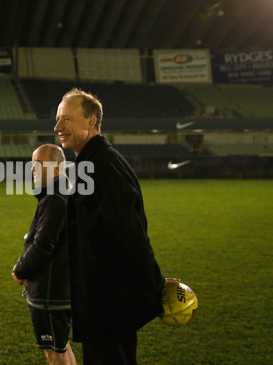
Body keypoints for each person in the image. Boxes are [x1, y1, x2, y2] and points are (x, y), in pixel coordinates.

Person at [53, 88, 179, 365]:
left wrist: (156, 284)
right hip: (102, 302)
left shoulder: (103, 165)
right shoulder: (91, 162)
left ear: (91, 122)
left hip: (109, 304)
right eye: (58, 119)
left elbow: (131, 234)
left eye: (67, 119)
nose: (57, 126)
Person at [12, 144, 76, 365]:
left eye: (39, 164)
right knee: (61, 346)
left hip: (51, 291)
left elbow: (43, 245)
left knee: (54, 353)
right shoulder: (61, 192)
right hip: (59, 287)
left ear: (58, 168)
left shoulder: (55, 199)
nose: (33, 168)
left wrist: (20, 269)